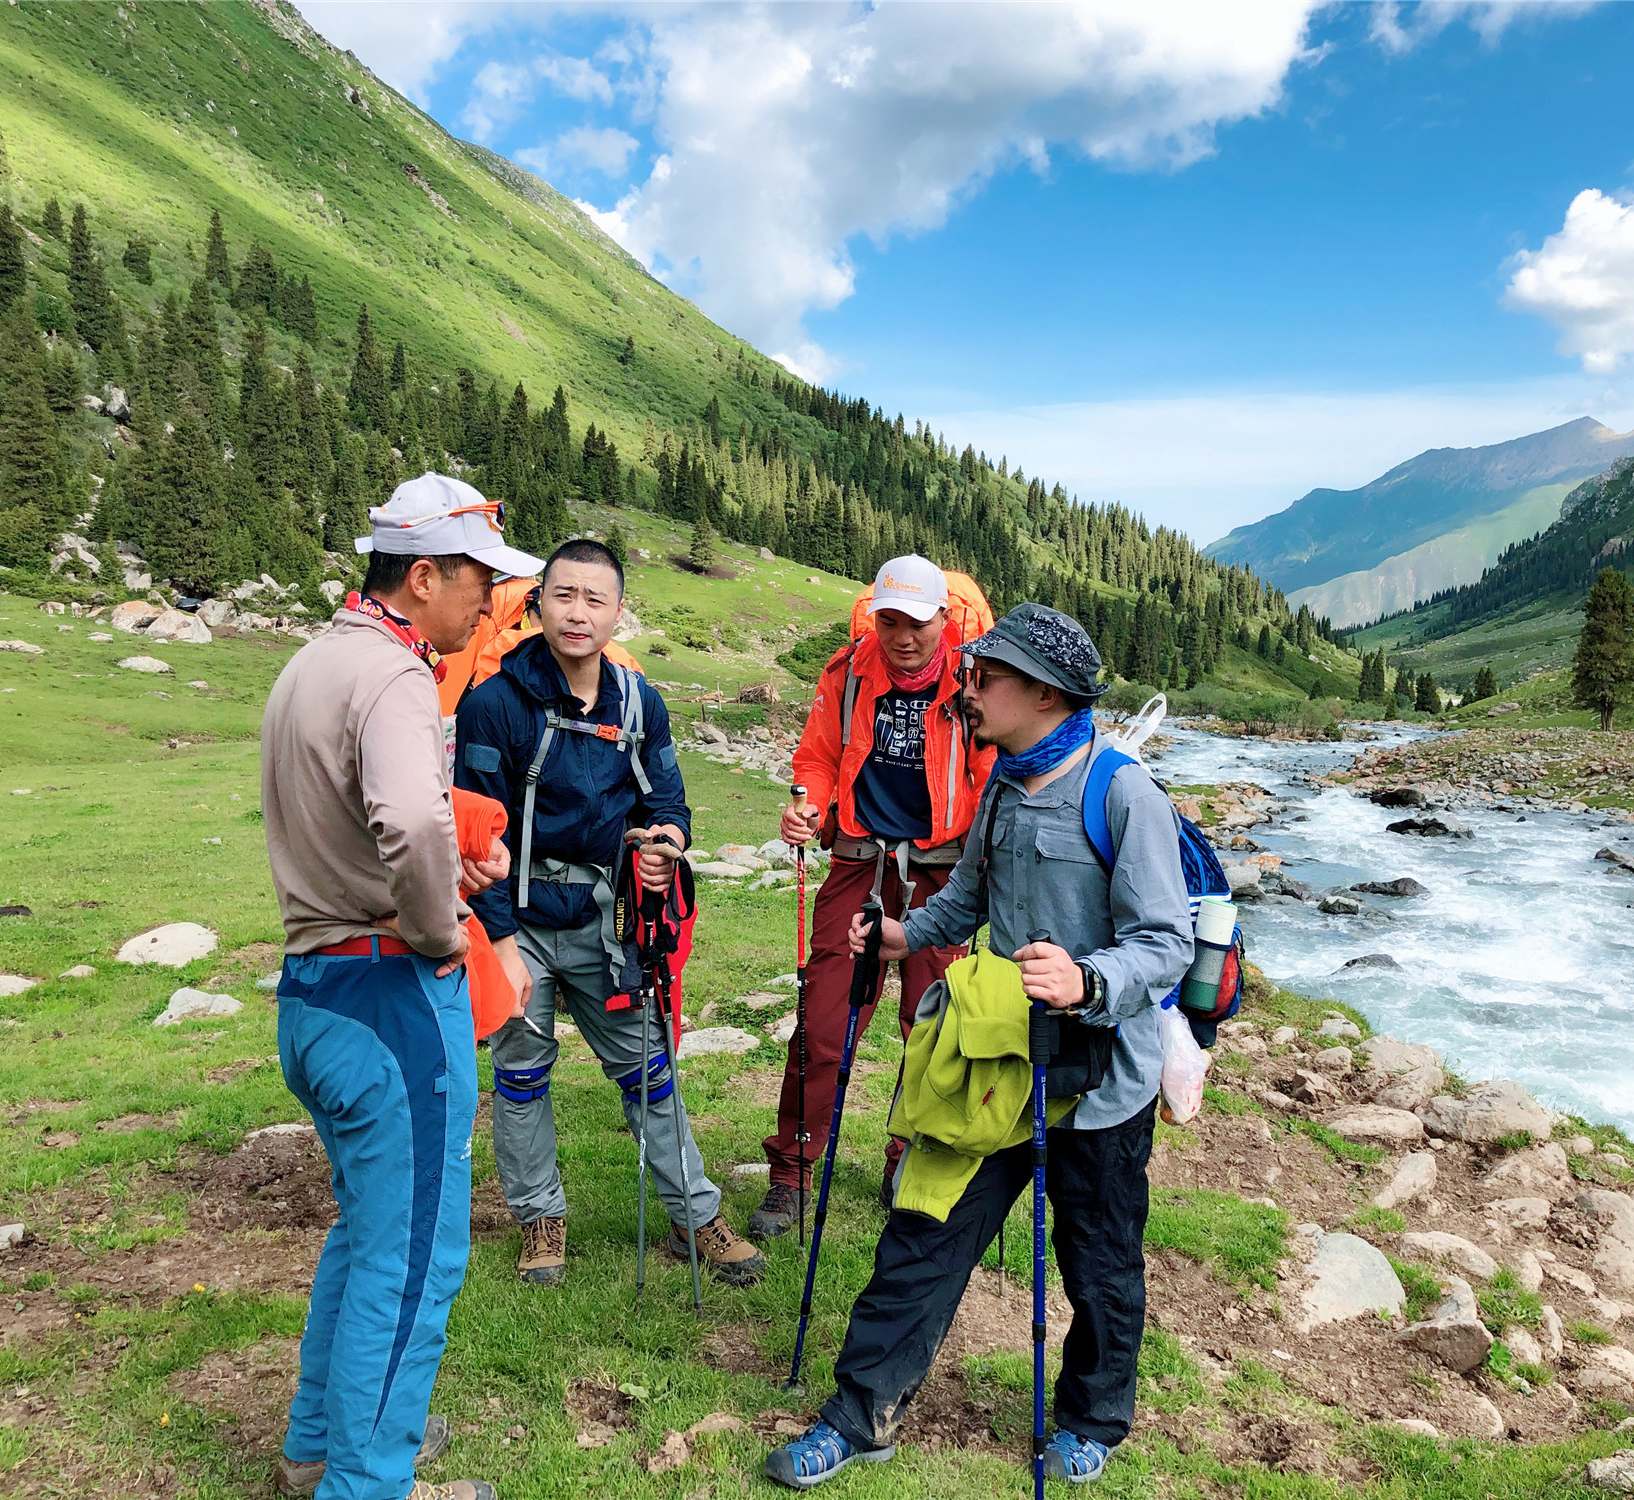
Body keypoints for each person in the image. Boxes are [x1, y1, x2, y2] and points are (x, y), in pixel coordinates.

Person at [763, 603, 1193, 1490]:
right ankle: (860, 1415)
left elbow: (1166, 941)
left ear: (1043, 694)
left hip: (1103, 1082)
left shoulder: (1122, 793)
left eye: (986, 676)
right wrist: (902, 935)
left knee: (1099, 1259)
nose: (969, 686)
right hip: (999, 1061)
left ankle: (1094, 1420)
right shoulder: (1002, 785)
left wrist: (1087, 979)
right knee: (922, 1227)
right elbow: (965, 901)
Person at [261, 472, 540, 1500]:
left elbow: (359, 817)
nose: (491, 602)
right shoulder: (393, 677)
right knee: (415, 1256)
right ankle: (369, 1482)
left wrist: (433, 861)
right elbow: (410, 820)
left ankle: (319, 1448)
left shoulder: (314, 661)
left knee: (367, 1232)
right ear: (424, 576)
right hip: (386, 996)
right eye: (479, 581)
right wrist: (438, 929)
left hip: (313, 991)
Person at [453, 538, 766, 1288]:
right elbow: (473, 836)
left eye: (595, 599)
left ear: (617, 612)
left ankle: (694, 1214)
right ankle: (540, 1218)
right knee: (521, 1074)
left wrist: (665, 845)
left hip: (606, 920)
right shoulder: (493, 703)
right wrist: (500, 945)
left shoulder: (638, 703)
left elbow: (669, 803)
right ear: (538, 604)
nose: (578, 612)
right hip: (516, 920)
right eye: (563, 595)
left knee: (649, 1069)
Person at [751, 556, 995, 1237]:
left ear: (943, 617)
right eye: (890, 621)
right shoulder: (848, 672)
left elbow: (992, 768)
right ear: (874, 618)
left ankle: (907, 1163)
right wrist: (808, 806)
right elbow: (818, 758)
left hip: (943, 875)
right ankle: (792, 1173)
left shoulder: (976, 681)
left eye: (918, 622)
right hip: (859, 862)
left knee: (931, 1028)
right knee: (825, 1023)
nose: (904, 637)